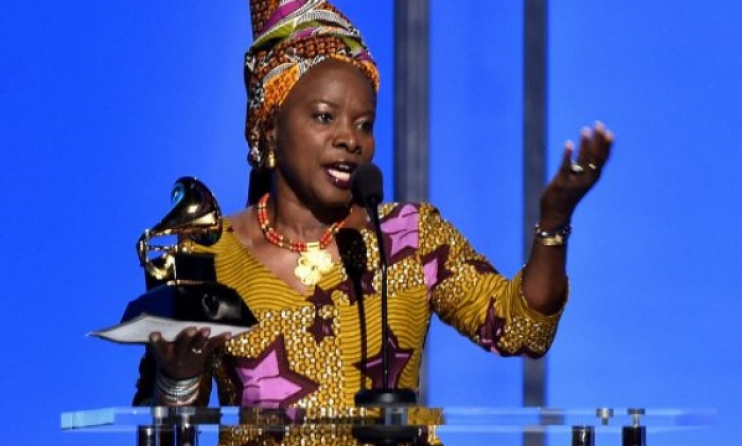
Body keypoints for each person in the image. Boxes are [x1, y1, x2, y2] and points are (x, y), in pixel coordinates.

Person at [132, 0, 613, 445]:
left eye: (365, 123)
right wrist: (178, 380)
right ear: (270, 127)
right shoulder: (207, 255)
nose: (350, 139)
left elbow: (522, 331)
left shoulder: (409, 238)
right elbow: (164, 432)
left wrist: (554, 222)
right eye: (325, 117)